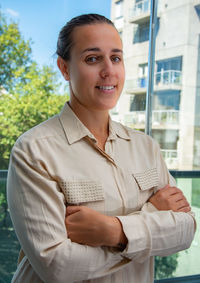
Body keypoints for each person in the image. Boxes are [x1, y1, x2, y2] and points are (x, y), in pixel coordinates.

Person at [7, 14, 195, 283]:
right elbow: (57, 265)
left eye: (116, 58)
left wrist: (113, 231)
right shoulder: (34, 151)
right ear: (64, 68)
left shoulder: (146, 147)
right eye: (93, 59)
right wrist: (150, 226)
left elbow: (186, 230)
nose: (109, 71)